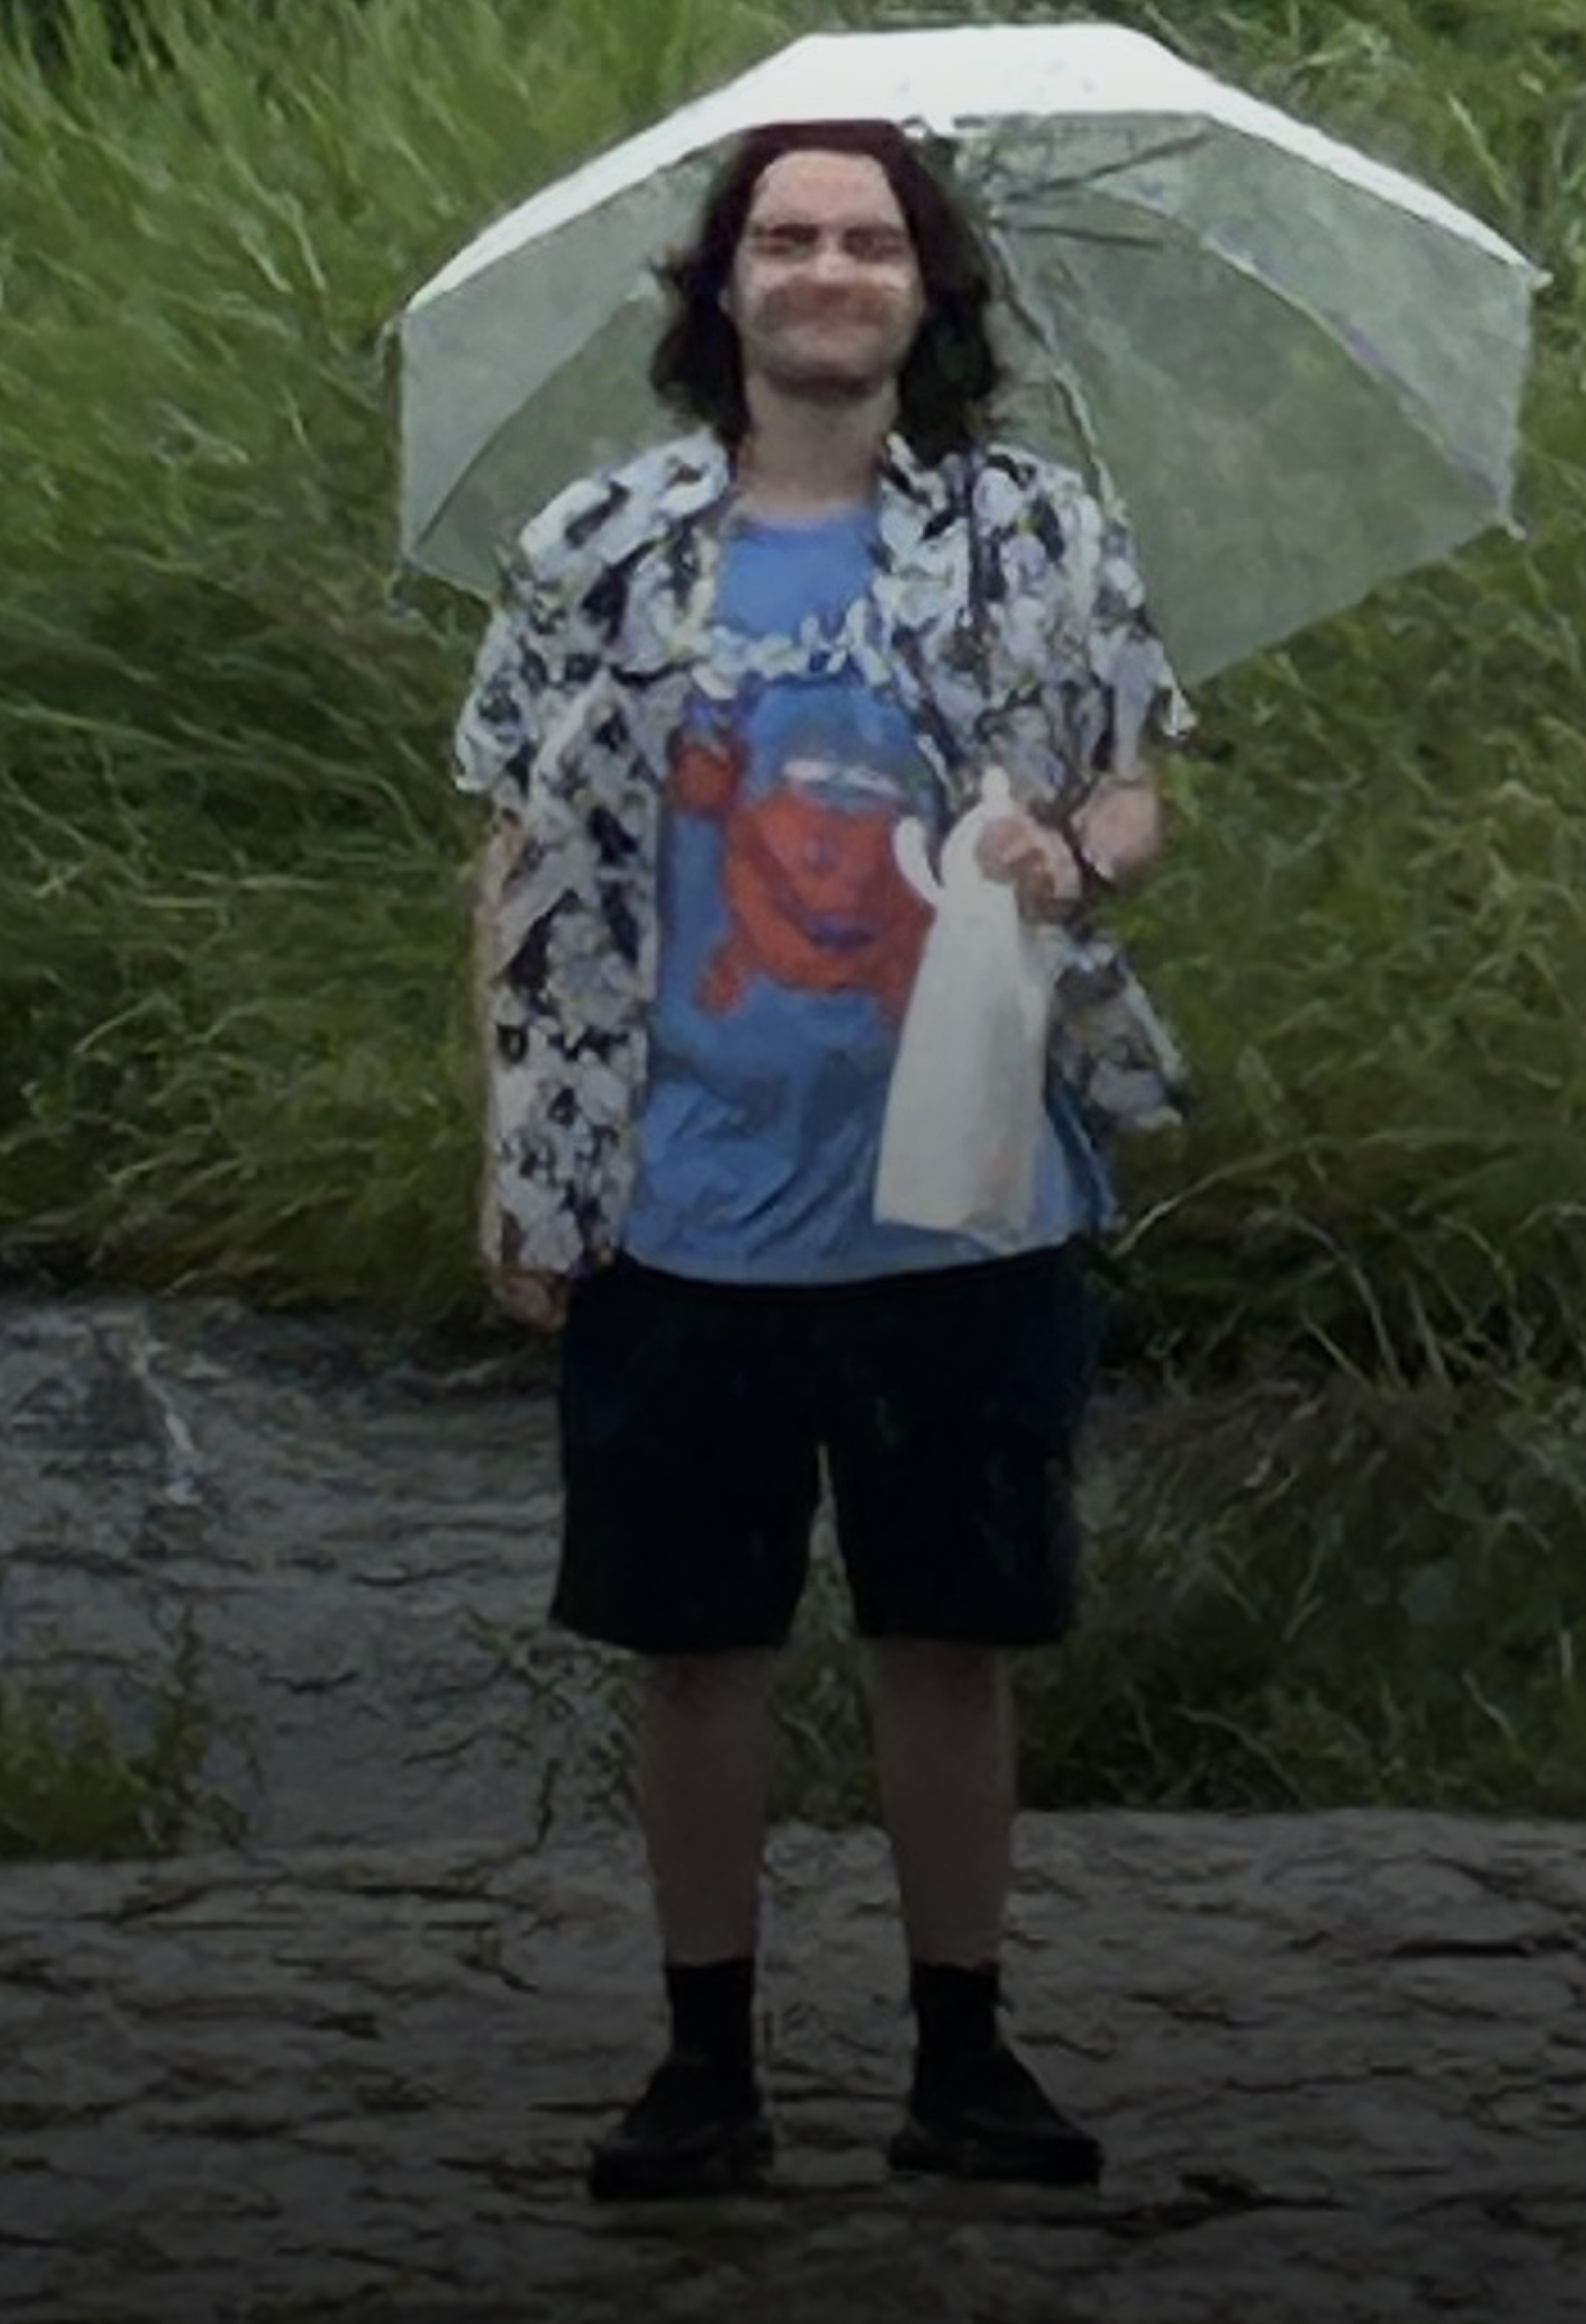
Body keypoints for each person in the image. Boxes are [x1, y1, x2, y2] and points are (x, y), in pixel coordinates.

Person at [444, 118, 1197, 2201]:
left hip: (973, 1180)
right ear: (724, 287)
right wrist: (521, 1152)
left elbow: (1139, 782)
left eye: (869, 236)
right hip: (676, 1193)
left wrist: (1076, 845)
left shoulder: (1037, 534)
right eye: (787, 235)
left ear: (927, 287)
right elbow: (508, 848)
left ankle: (965, 2053)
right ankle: (707, 2065)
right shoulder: (593, 546)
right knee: (700, 1647)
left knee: (950, 1637)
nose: (827, 268)